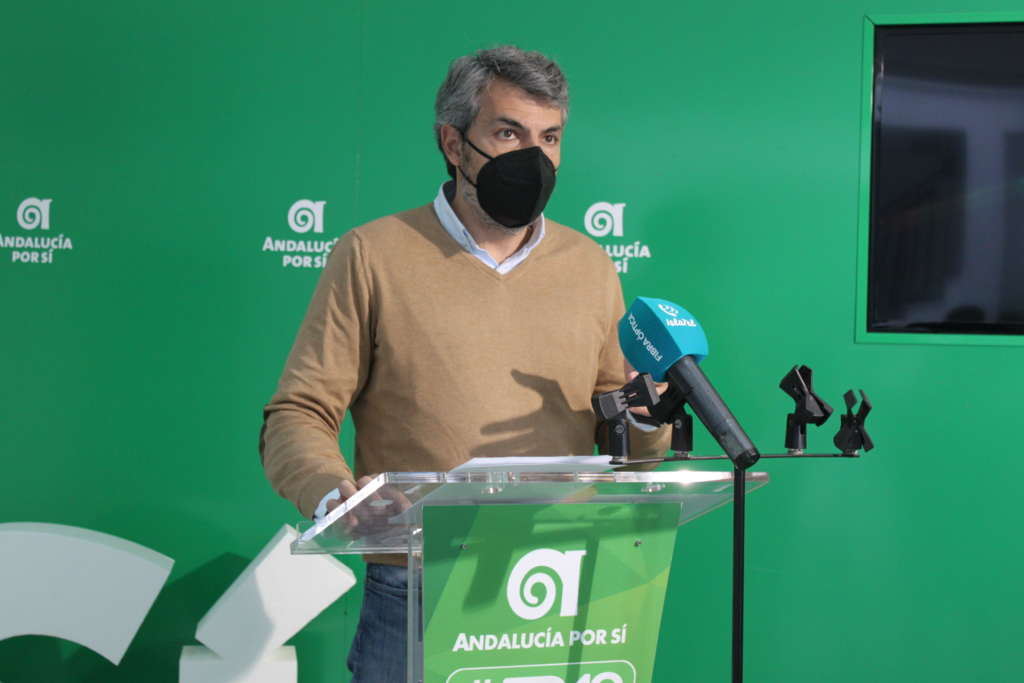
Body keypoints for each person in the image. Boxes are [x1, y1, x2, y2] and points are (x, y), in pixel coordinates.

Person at [259, 45, 668, 682]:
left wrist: (648, 418)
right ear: (453, 143)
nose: (534, 157)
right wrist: (334, 494)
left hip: (561, 581)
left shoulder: (591, 266)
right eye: (508, 133)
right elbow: (298, 413)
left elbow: (625, 437)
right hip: (420, 586)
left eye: (549, 137)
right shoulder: (372, 254)